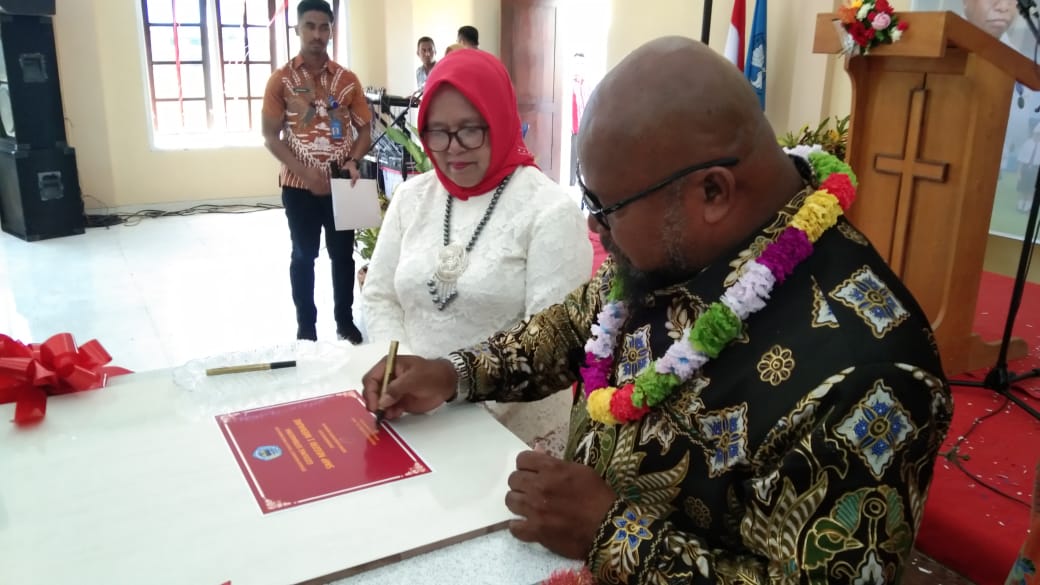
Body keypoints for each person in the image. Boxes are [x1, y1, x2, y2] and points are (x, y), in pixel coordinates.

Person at [361, 36, 953, 583]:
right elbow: (572, 327)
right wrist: (453, 373)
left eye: (606, 205)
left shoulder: (873, 375)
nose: (595, 225)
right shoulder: (670, 246)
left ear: (712, 193)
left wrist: (610, 533)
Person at [361, 49, 592, 451]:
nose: (452, 148)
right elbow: (380, 296)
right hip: (411, 420)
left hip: (507, 436)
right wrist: (398, 378)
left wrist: (449, 397)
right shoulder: (412, 198)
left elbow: (548, 346)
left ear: (500, 120)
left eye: (470, 129)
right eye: (437, 131)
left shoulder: (550, 211)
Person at [262, 0, 370, 343]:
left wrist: (352, 160)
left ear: (331, 30)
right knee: (303, 255)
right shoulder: (281, 81)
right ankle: (306, 327)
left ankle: (345, 321)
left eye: (324, 27)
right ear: (297, 29)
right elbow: (270, 136)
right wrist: (306, 174)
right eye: (310, 26)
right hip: (298, 187)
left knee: (342, 256)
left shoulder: (347, 80)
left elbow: (365, 130)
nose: (317, 34)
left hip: (343, 185)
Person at [570, 52, 587, 187]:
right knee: (572, 157)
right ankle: (571, 183)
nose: (578, 67)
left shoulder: (586, 85)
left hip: (583, 127)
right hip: (572, 128)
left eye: (581, 64)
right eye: (576, 64)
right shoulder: (569, 85)